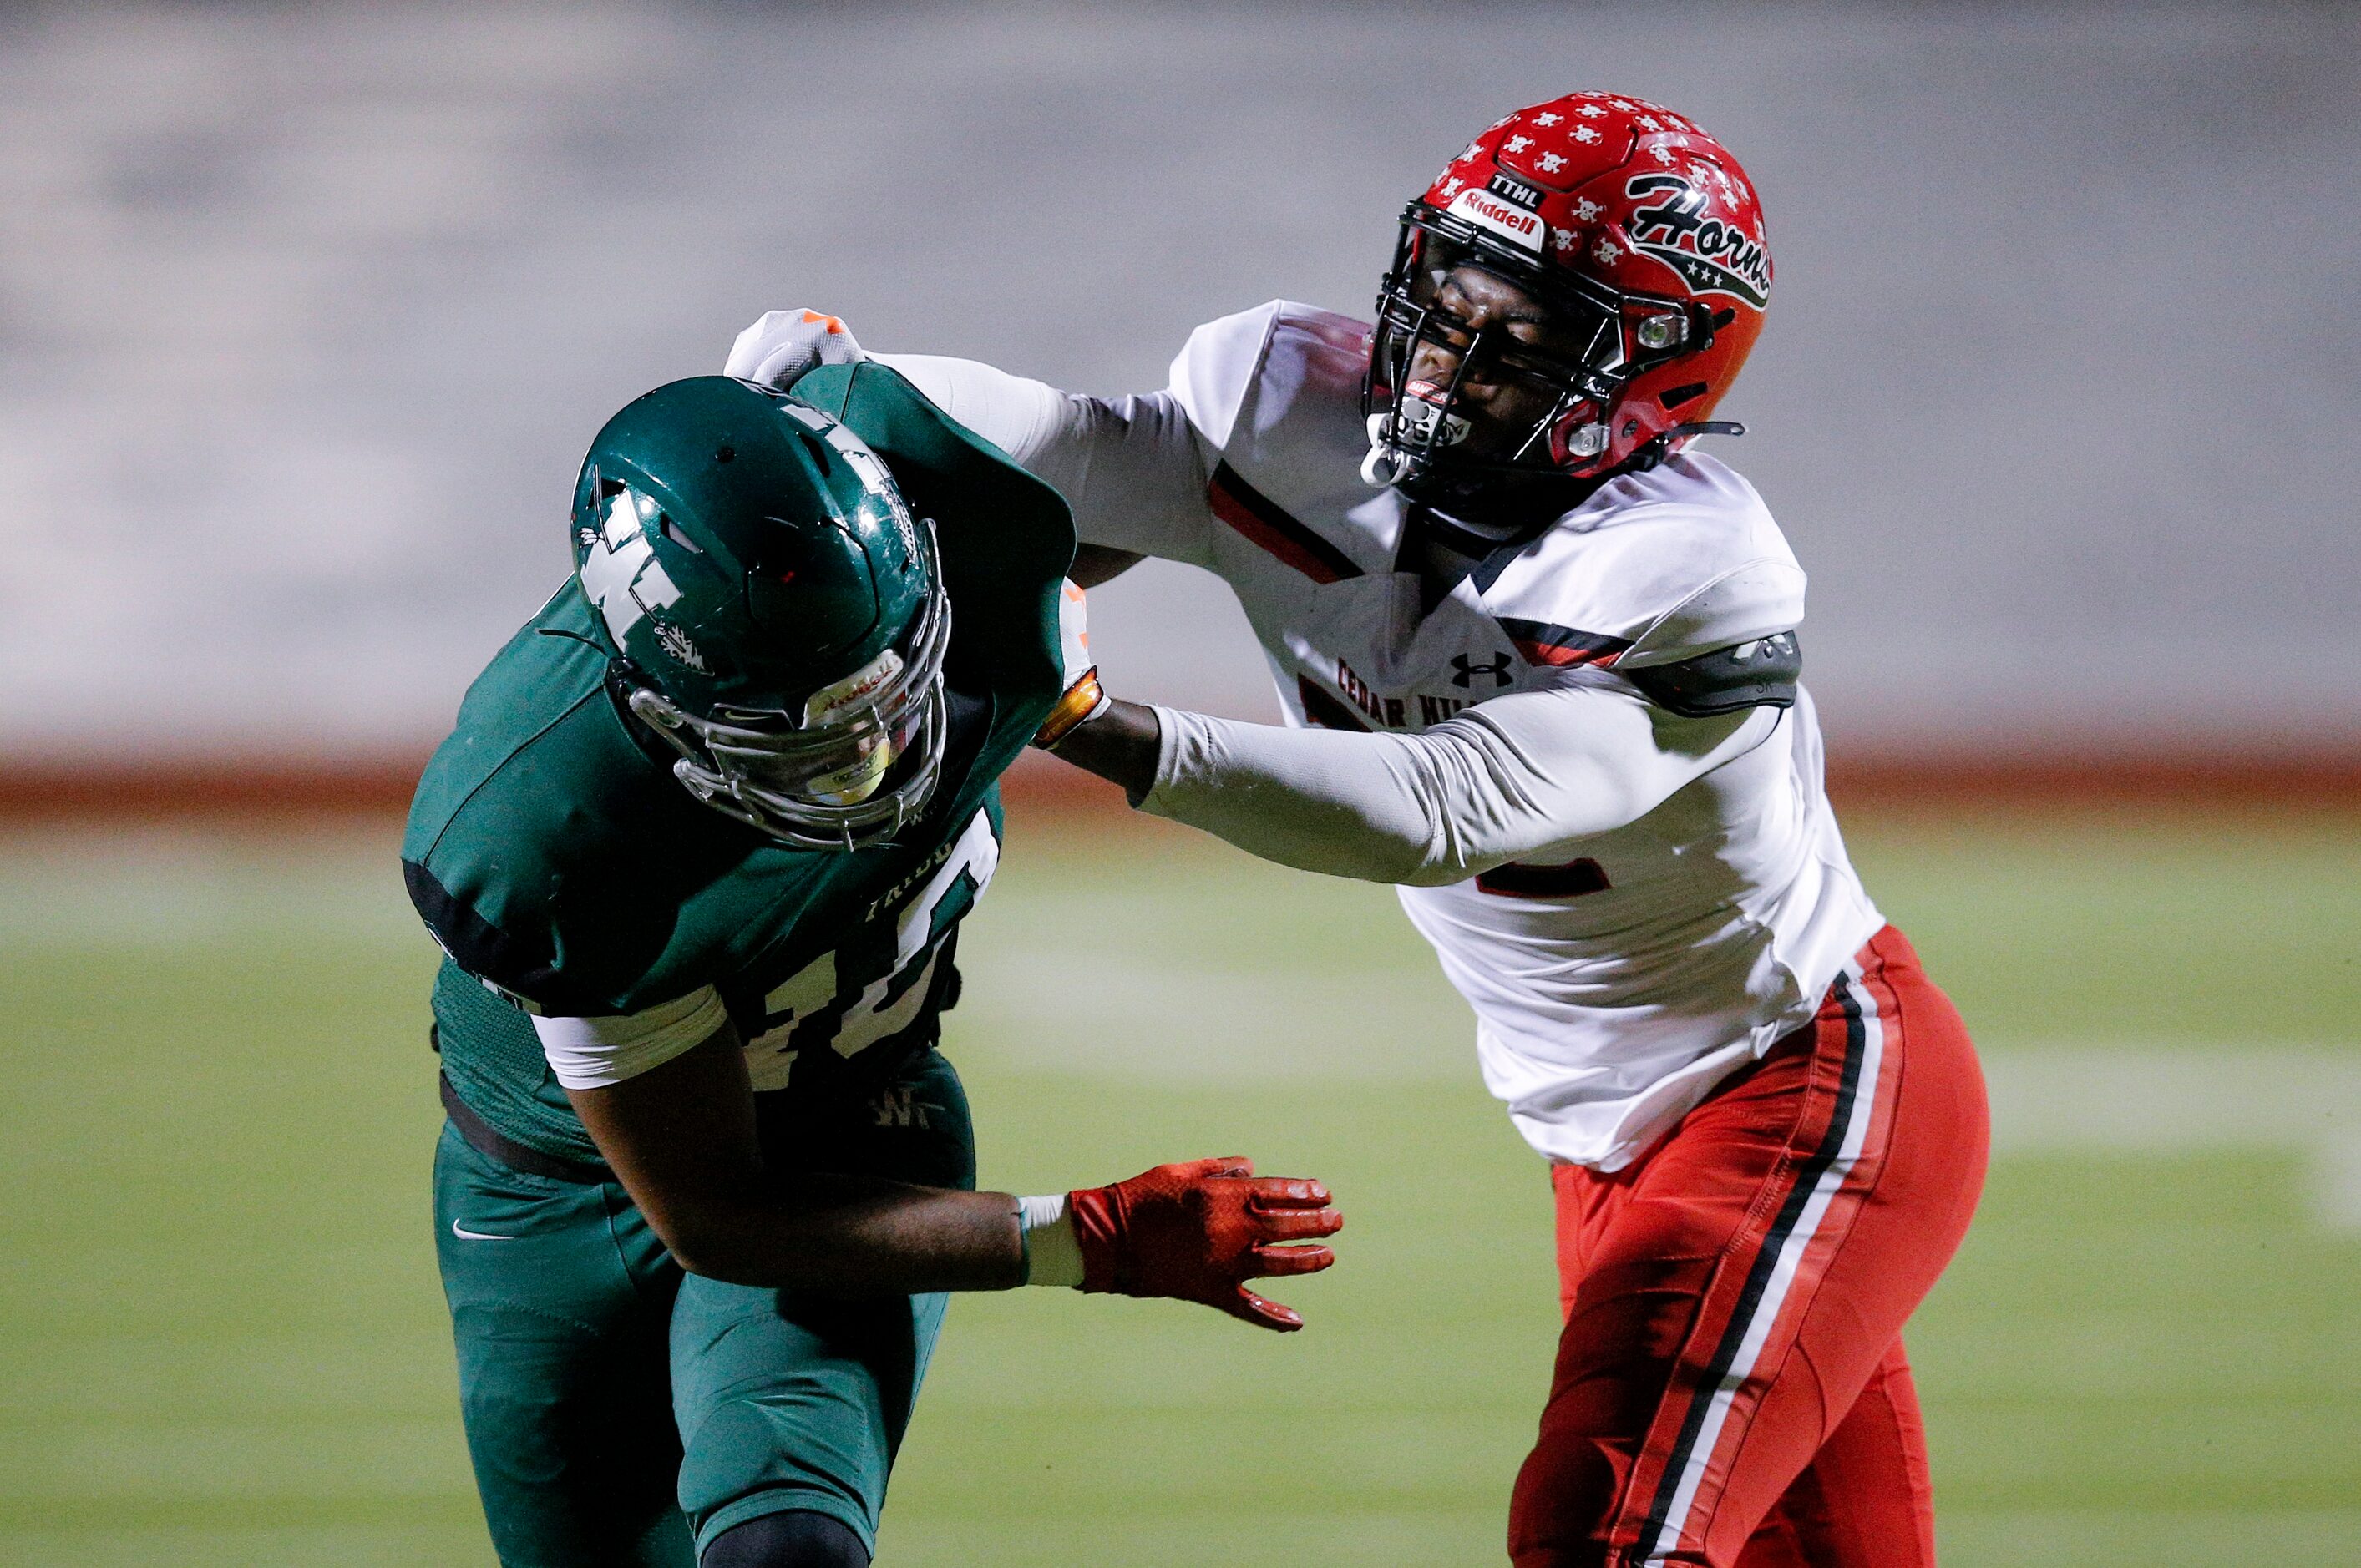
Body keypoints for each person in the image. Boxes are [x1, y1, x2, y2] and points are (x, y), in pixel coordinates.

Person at [727, 91, 1988, 1568]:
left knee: (1601, 1530)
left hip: (1791, 1088)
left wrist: (1092, 722)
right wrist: (865, 405)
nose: (1449, 362)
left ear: (1652, 383)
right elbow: (1070, 448)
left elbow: (1444, 807)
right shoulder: (1291, 408)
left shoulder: (1686, 576)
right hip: (1605, 1128)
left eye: (1517, 342)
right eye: (1444, 303)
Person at [402, 370, 1341, 1568]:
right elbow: (715, 1213)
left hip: (858, 1117)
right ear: (666, 706)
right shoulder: (545, 830)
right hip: (562, 1182)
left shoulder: (969, 517)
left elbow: (1214, 455)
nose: (881, 749)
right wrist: (1085, 1235)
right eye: (812, 732)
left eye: (892, 684)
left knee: (786, 1545)